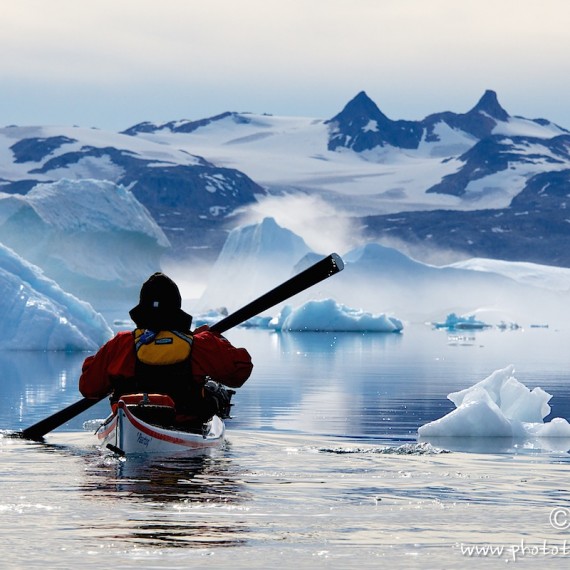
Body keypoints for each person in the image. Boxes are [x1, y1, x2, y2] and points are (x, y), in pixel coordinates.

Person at [79, 272, 253, 427]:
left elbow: (88, 388)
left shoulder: (120, 344)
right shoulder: (200, 344)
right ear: (176, 308)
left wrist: (103, 372)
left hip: (131, 422)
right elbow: (240, 370)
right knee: (212, 393)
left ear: (142, 309)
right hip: (184, 427)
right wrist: (214, 339)